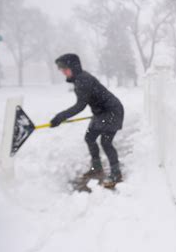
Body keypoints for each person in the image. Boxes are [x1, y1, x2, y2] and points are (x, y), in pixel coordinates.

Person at [50, 53, 124, 187]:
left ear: (73, 66)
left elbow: (80, 105)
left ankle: (116, 174)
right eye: (60, 69)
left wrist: (60, 117)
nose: (62, 72)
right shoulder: (80, 78)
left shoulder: (83, 80)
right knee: (90, 138)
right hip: (101, 113)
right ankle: (97, 168)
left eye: (64, 68)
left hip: (111, 112)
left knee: (106, 142)